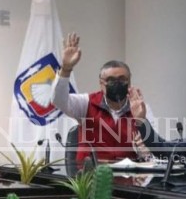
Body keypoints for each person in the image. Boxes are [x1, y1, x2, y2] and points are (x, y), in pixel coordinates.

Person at [51, 32, 155, 166]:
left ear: (129, 82)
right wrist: (66, 69)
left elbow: (151, 151)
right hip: (90, 177)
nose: (117, 83)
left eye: (122, 79)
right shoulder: (86, 103)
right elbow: (58, 100)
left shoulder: (140, 108)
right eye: (110, 80)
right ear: (101, 83)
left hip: (129, 179)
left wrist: (145, 150)